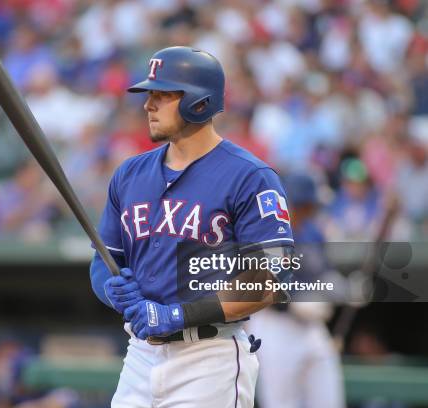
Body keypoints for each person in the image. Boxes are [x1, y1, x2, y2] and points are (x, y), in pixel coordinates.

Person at [89, 46, 295, 408]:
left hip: (209, 359)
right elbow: (103, 259)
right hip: (138, 355)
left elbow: (267, 283)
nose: (148, 105)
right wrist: (113, 290)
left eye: (162, 94)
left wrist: (175, 314)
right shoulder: (129, 174)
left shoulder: (250, 177)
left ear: (199, 101)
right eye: (149, 94)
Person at [246, 173, 345, 408]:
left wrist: (343, 287)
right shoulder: (263, 233)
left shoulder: (312, 231)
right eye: (304, 206)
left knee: (328, 398)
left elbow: (324, 270)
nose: (309, 211)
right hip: (274, 326)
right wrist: (294, 302)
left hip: (311, 328)